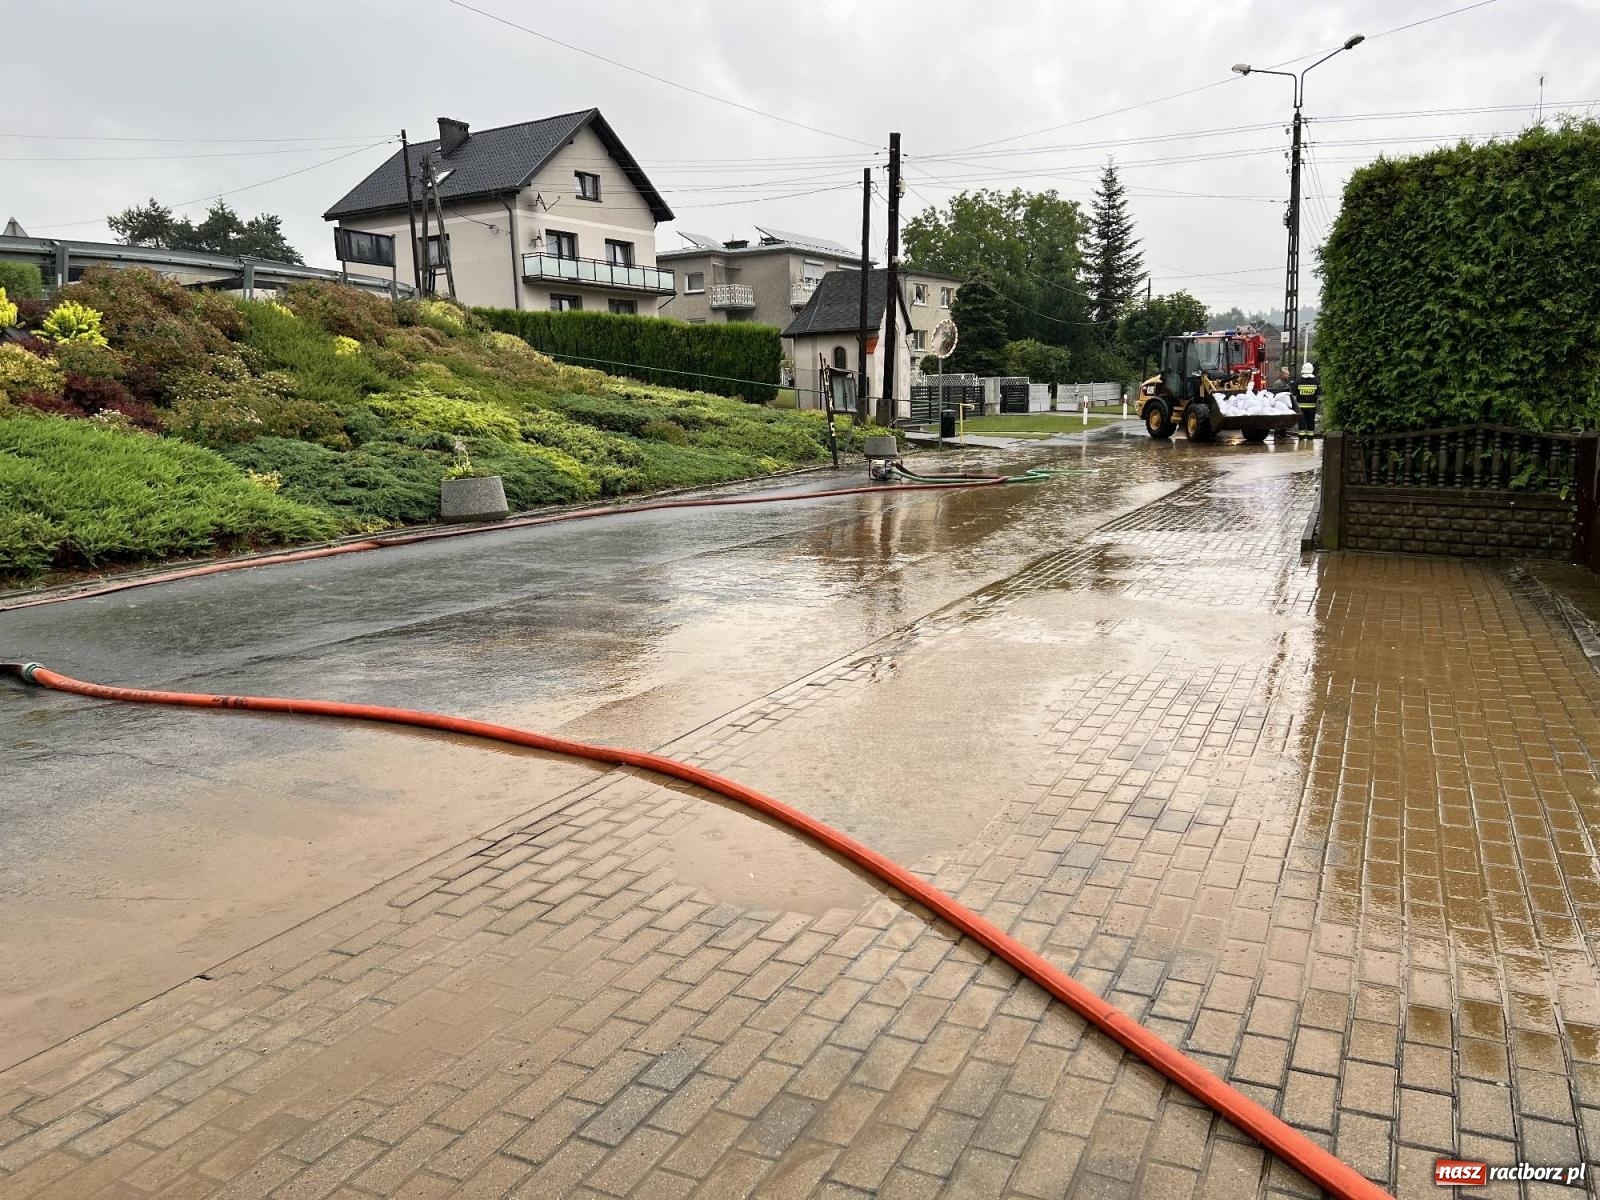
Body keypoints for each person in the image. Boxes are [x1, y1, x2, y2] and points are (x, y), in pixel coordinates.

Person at [1296, 361, 1321, 437]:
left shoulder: (1299, 381)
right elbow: (1319, 393)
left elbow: (1294, 392)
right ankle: (1310, 436)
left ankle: (1301, 436)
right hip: (1312, 407)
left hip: (1301, 407)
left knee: (1301, 422)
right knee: (1310, 421)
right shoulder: (1316, 381)